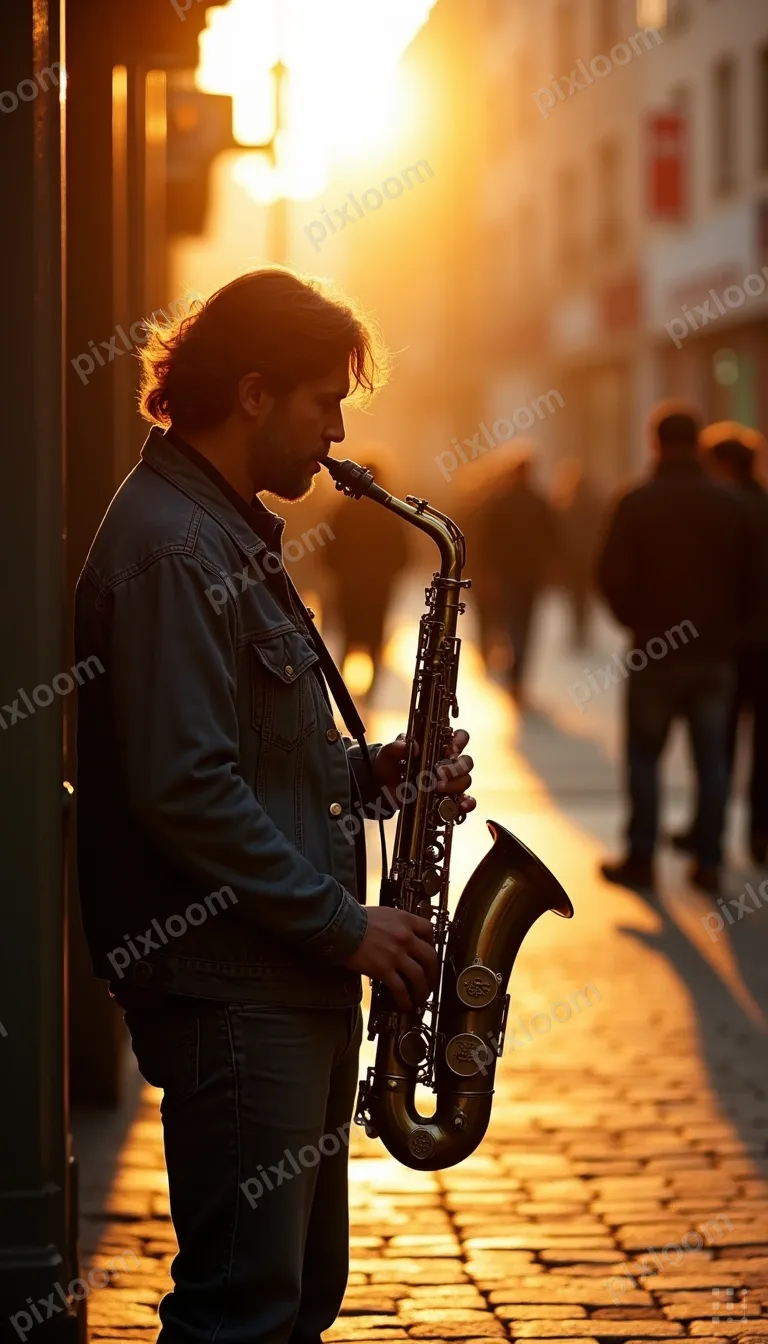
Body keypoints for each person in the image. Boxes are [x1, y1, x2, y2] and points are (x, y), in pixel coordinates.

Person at [74, 268, 476, 1342]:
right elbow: (185, 790)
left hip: (271, 980)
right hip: (233, 989)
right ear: (252, 392)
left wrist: (377, 772)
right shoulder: (172, 547)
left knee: (294, 1297)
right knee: (242, 1312)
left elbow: (245, 757)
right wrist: (346, 924)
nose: (336, 431)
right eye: (322, 402)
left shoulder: (220, 529)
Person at [596, 403, 760, 896]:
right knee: (713, 760)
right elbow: (755, 580)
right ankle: (709, 861)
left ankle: (642, 858)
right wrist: (729, 628)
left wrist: (638, 621)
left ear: (656, 443)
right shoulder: (731, 504)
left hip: (656, 650)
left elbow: (610, 573)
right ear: (698, 444)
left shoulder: (637, 500)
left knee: (645, 755)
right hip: (714, 654)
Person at [672, 423, 768, 865]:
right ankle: (760, 834)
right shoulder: (761, 504)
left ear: (723, 464)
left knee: (716, 746)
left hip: (730, 646)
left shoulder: (725, 508)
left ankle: (707, 835)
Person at [323, 445, 409, 695]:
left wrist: (338, 571)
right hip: (378, 585)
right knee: (374, 633)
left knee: (349, 634)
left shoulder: (343, 509)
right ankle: (370, 688)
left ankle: (341, 690)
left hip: (350, 583)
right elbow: (403, 550)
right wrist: (389, 574)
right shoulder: (389, 509)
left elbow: (329, 547)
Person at [475, 449, 557, 701]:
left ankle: (514, 674)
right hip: (529, 574)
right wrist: (549, 569)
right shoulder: (540, 501)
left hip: (507, 573)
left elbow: (487, 540)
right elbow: (552, 539)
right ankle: (518, 678)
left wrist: (487, 572)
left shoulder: (501, 501)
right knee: (526, 624)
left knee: (511, 623)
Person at [551, 456, 604, 649]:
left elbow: (560, 532)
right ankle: (582, 628)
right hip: (586, 556)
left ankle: (579, 627)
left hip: (573, 557)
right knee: (582, 596)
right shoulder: (592, 500)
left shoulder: (565, 502)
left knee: (576, 596)